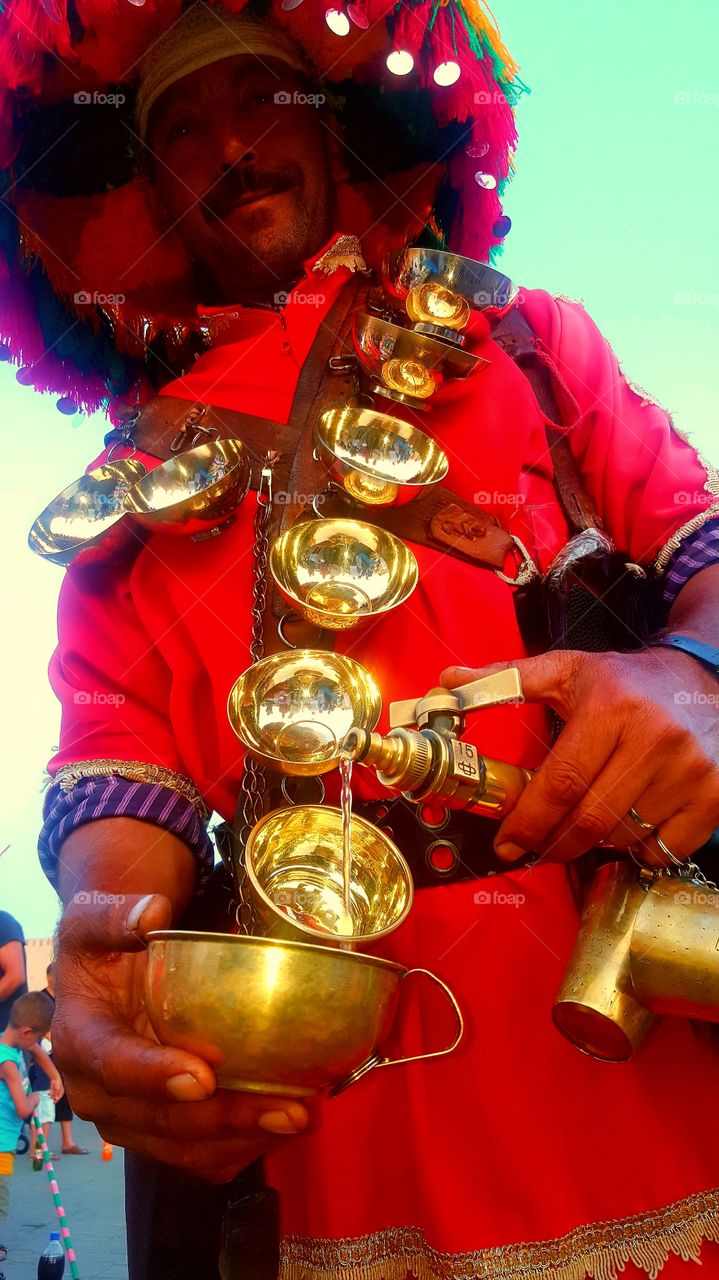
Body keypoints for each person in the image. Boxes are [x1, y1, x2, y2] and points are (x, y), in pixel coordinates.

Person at [1, 3, 718, 1278]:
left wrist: (689, 673)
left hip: (631, 1023)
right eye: (178, 122)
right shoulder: (126, 483)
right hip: (325, 1094)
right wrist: (103, 927)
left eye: (263, 97)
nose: (228, 142)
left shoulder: (532, 348)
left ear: (342, 139)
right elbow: (114, 759)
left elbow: (704, 555)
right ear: (149, 180)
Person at [0, 992, 54, 1266]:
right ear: (26, 1031)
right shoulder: (7, 1063)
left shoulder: (7, 1048)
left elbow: (33, 1049)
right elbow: (23, 1109)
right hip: (1, 1145)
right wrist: (35, 1098)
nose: (35, 1045)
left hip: (4, 1141)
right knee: (0, 1199)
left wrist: (55, 1076)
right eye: (36, 1038)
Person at [40, 966, 87, 1157]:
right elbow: (39, 1025)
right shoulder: (41, 999)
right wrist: (55, 1040)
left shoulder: (63, 1000)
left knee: (66, 1097)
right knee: (47, 1100)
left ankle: (68, 1142)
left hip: (64, 1056)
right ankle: (39, 1147)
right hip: (47, 1056)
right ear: (50, 976)